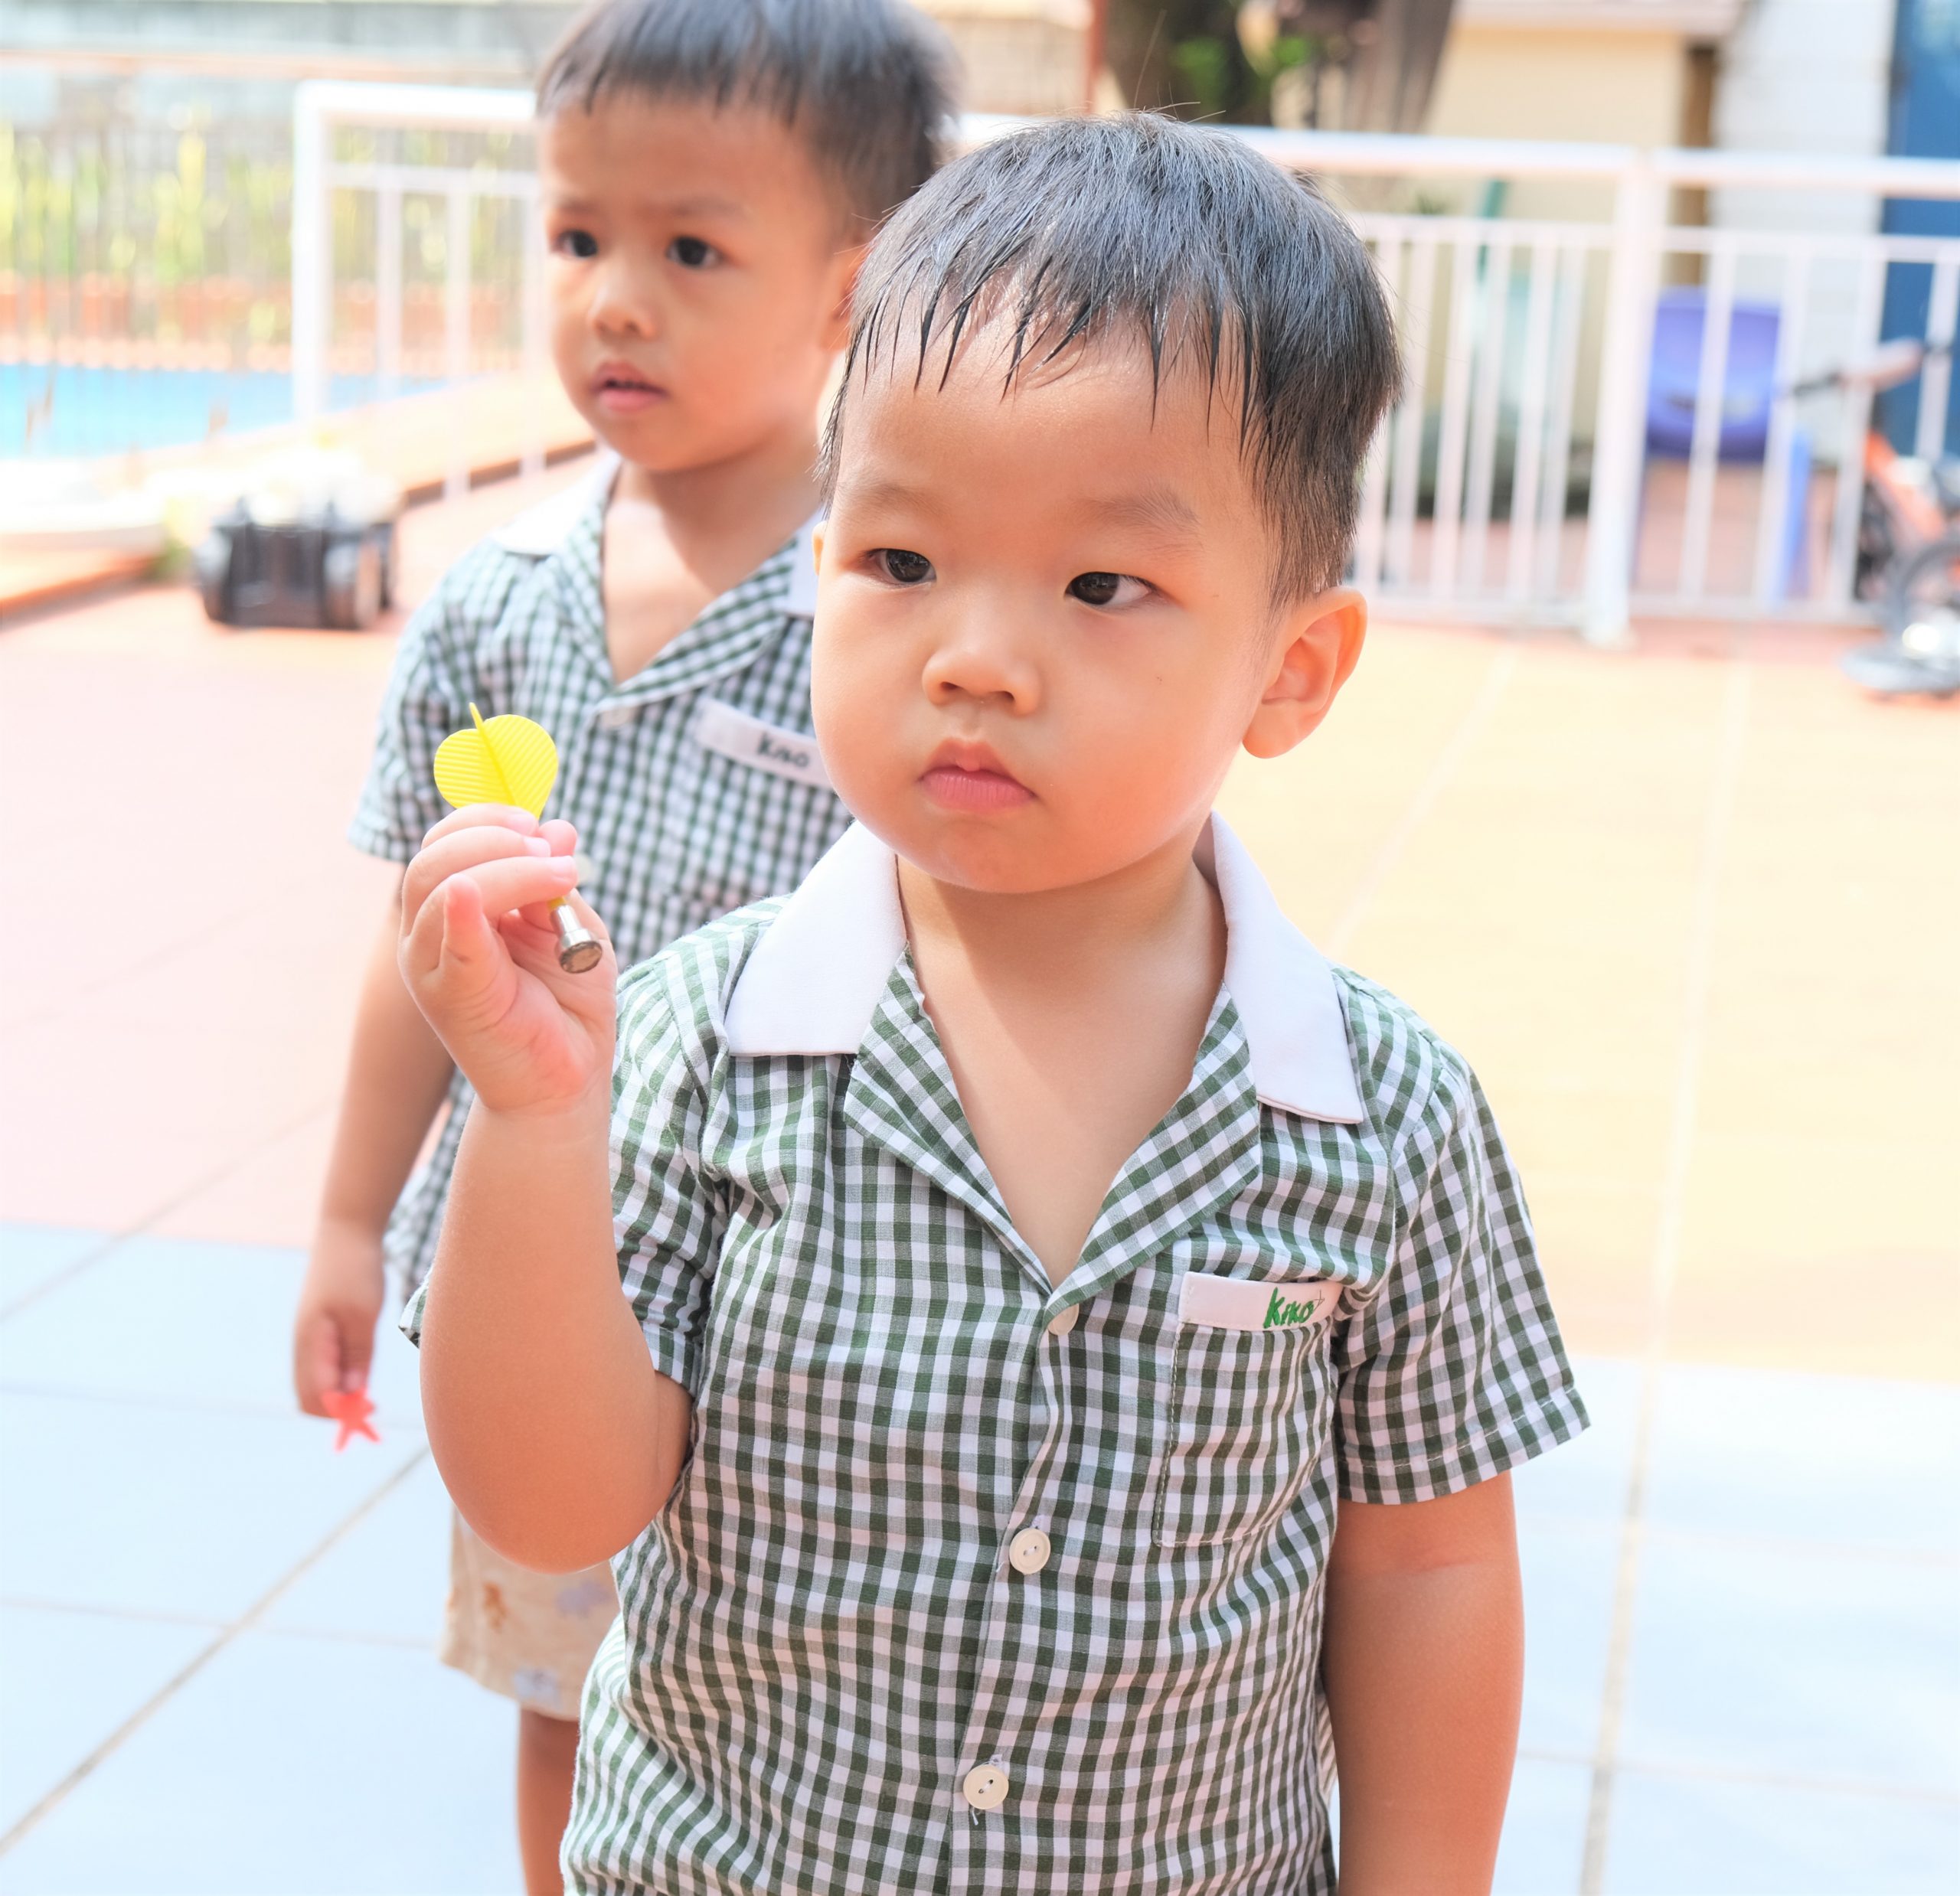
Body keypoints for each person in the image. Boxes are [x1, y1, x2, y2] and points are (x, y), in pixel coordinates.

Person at [399, 114, 1589, 1894]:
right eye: (898, 563)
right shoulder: (693, 1044)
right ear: (817, 566)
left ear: (1289, 670)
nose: (971, 656)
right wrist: (532, 1122)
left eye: (1103, 585)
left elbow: (1425, 1566)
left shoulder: (1384, 1117)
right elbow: (552, 1511)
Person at [287, 2, 953, 1888]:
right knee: (569, 1695)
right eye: (577, 236)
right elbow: (421, 948)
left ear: (851, 288)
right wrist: (349, 1219)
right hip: (535, 1269)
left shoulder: (883, 613)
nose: (614, 302)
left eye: (691, 248)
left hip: (806, 1290)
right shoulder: (495, 605)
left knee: (810, 1696)